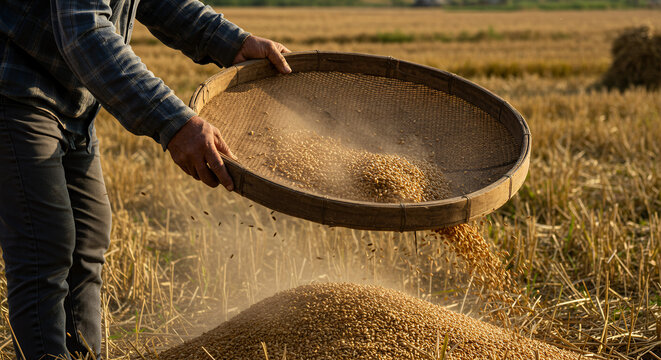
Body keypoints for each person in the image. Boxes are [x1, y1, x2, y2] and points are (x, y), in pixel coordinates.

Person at [0, 0, 291, 359]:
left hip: (73, 103)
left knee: (87, 242)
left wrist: (231, 42)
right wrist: (175, 122)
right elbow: (83, 30)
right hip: (16, 91)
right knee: (45, 246)